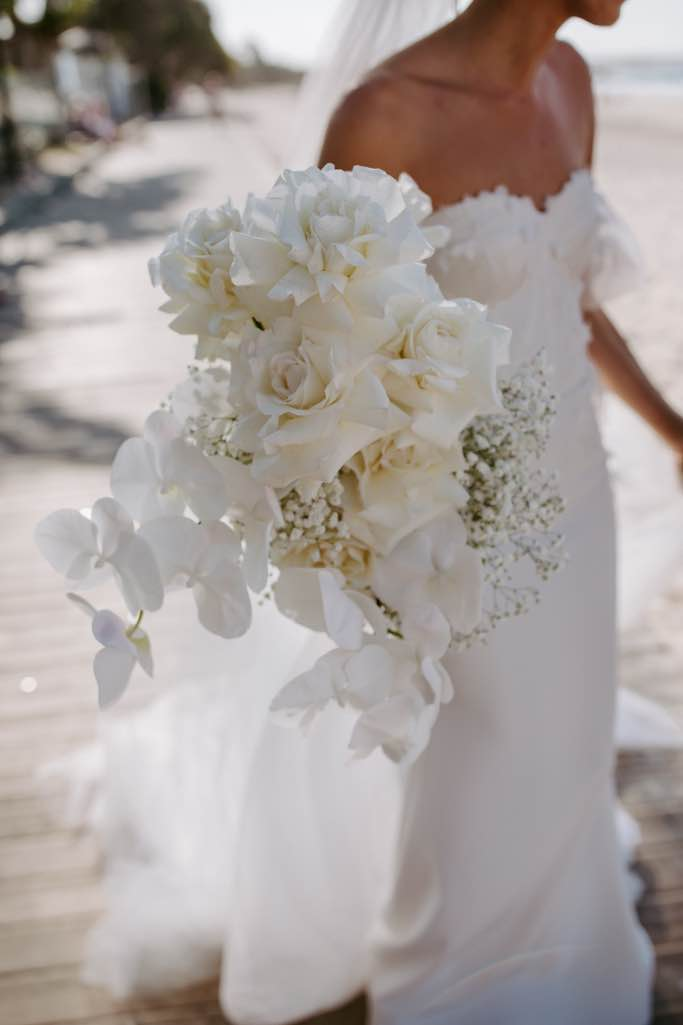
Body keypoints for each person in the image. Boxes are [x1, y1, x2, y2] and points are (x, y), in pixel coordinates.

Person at [55, 3, 683, 1024]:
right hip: (451, 529)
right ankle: (453, 975)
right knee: (475, 761)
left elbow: (572, 295)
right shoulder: (382, 118)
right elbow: (307, 361)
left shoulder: (568, 81)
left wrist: (669, 424)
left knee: (564, 743)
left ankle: (567, 938)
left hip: (581, 495)